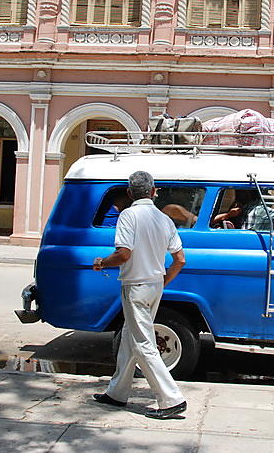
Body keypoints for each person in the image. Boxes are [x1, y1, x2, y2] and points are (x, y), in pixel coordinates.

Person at [92, 171, 188, 419]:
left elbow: (124, 254)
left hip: (135, 286)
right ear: (154, 191)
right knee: (129, 337)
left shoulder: (129, 215)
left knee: (143, 342)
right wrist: (164, 280)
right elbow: (179, 260)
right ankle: (117, 392)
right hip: (155, 285)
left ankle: (171, 399)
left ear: (129, 192)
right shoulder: (164, 219)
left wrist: (102, 262)